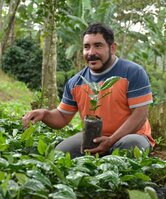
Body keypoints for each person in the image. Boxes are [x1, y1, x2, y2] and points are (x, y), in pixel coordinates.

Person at [22, 22, 155, 159]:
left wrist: (111, 141)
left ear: (112, 48)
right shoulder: (75, 82)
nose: (91, 53)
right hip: (92, 138)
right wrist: (44, 114)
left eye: (98, 46)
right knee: (59, 154)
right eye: (87, 47)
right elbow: (62, 117)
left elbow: (139, 115)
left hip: (130, 136)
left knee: (132, 145)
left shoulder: (132, 72)